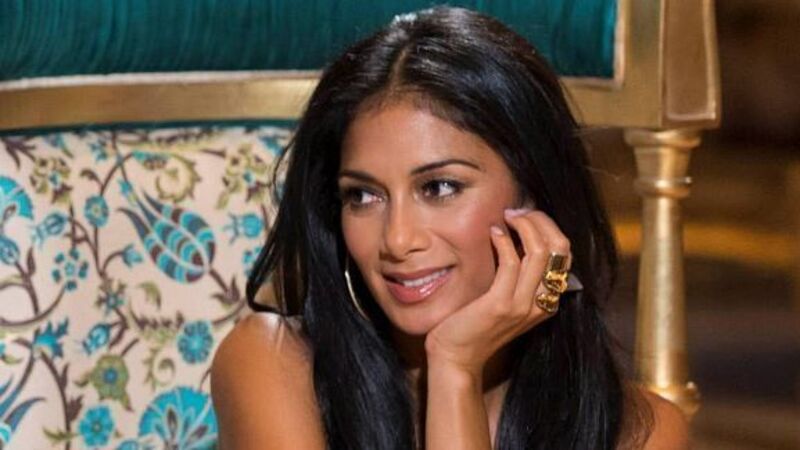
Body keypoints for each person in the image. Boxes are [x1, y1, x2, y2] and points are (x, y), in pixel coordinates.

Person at [211, 6, 688, 449]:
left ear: (535, 194)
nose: (398, 239)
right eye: (363, 196)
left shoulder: (640, 431)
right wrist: (457, 366)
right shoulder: (273, 363)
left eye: (439, 187)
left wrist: (454, 365)